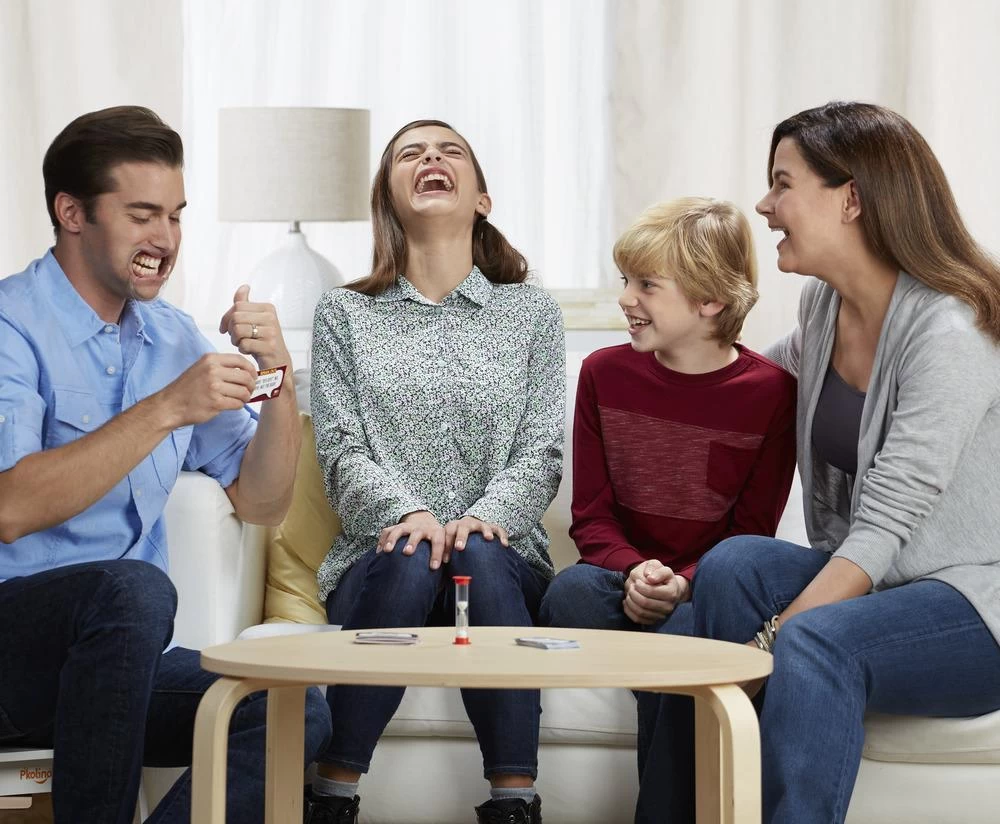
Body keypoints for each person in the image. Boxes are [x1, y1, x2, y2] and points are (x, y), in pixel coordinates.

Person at [635, 101, 1000, 824]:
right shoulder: (823, 309)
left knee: (813, 639)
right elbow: (748, 393)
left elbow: (889, 518)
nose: (765, 206)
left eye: (782, 183)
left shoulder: (951, 328)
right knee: (733, 569)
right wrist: (670, 327)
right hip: (880, 585)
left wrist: (762, 643)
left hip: (971, 605)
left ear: (852, 199)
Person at [0, 106, 332, 824]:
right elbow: (10, 507)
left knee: (286, 707)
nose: (166, 240)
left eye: (176, 217)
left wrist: (277, 380)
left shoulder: (175, 338)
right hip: (12, 650)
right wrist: (166, 409)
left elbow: (263, 502)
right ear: (72, 212)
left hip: (115, 666)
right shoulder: (11, 326)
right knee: (134, 590)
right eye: (143, 214)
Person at [307, 119, 564, 824]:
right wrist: (406, 515)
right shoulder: (344, 314)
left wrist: (488, 517)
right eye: (410, 153)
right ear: (387, 196)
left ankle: (514, 803)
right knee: (413, 553)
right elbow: (338, 448)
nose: (430, 158)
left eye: (450, 150)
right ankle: (331, 794)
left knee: (476, 553)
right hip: (379, 561)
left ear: (481, 197)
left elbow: (542, 448)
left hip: (501, 565)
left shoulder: (532, 311)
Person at [539, 198, 796, 634]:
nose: (624, 298)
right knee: (570, 592)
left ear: (710, 298)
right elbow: (592, 517)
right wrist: (637, 572)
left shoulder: (772, 392)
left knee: (692, 625)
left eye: (647, 285)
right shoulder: (604, 374)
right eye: (625, 281)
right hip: (615, 578)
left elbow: (750, 535)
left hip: (702, 588)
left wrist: (682, 585)